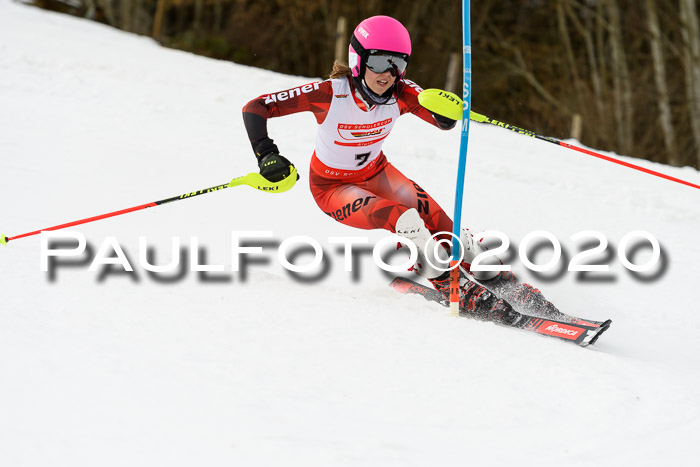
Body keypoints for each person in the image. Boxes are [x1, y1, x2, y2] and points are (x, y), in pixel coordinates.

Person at [241, 15, 563, 323]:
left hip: (378, 174)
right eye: (380, 62)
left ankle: (497, 278)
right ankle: (455, 288)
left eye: (398, 64)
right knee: (404, 219)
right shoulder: (329, 94)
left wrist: (446, 114)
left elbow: (438, 117)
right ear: (358, 59)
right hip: (332, 188)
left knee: (445, 226)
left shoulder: (402, 92)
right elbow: (255, 107)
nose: (388, 74)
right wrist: (267, 154)